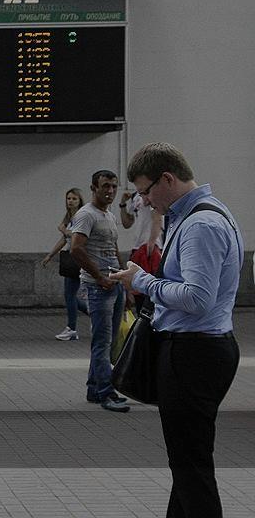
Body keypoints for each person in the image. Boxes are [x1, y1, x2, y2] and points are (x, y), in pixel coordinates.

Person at [110, 143, 243, 518]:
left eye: (145, 191)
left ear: (167, 179)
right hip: (199, 349)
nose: (144, 201)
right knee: (187, 463)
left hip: (194, 353)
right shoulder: (207, 213)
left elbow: (198, 298)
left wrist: (143, 281)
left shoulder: (200, 225)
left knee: (192, 469)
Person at [69, 170, 130, 413]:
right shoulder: (86, 215)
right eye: (105, 186)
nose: (110, 191)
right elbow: (76, 248)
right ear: (94, 188)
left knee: (108, 341)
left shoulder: (109, 215)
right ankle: (106, 391)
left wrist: (124, 279)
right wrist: (99, 277)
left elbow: (113, 248)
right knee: (102, 342)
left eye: (113, 186)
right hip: (98, 288)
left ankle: (94, 388)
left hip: (114, 284)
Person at [42, 188, 89, 340]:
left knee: (70, 295)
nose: (71, 201)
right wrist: (50, 255)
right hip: (70, 257)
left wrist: (64, 231)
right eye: (69, 198)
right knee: (71, 296)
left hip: (77, 258)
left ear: (79, 201)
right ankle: (96, 313)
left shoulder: (82, 216)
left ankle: (72, 328)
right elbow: (64, 240)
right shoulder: (69, 217)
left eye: (74, 199)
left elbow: (78, 236)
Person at [119, 188, 163, 312]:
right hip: (137, 247)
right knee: (138, 290)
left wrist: (151, 243)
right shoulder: (135, 196)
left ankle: (153, 318)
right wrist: (122, 204)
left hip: (150, 247)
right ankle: (141, 316)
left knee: (150, 290)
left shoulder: (151, 192)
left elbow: (157, 218)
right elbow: (127, 223)